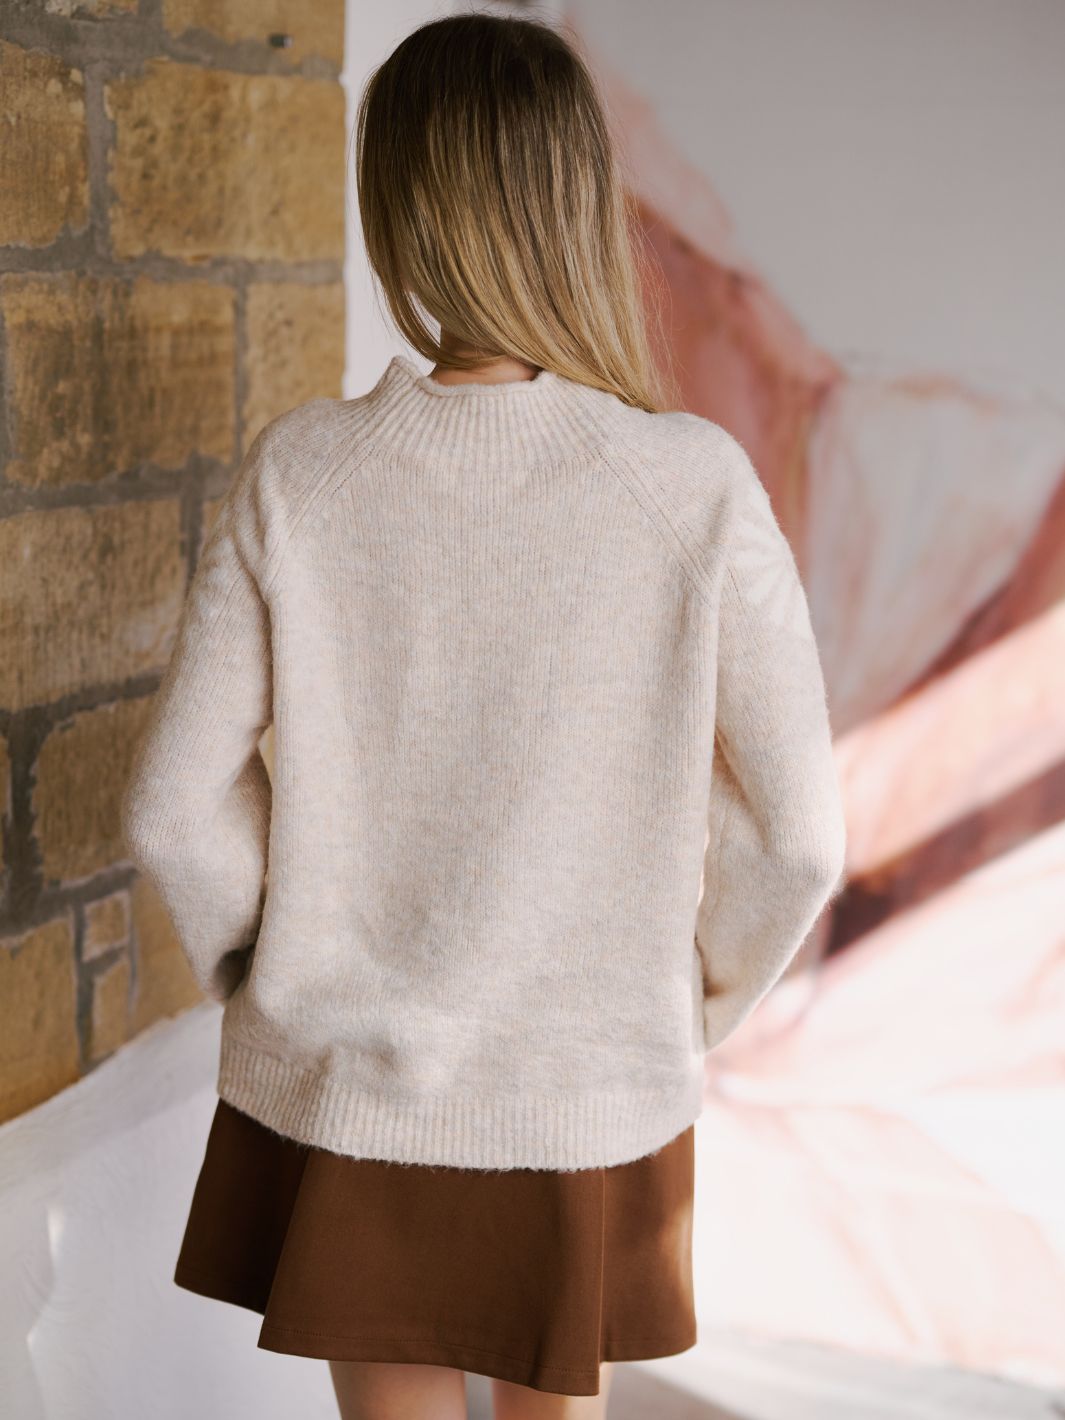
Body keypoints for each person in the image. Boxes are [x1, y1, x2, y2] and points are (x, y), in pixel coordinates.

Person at [121, 12, 847, 1420]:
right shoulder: (691, 486)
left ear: (397, 207)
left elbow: (170, 807)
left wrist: (271, 959)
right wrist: (678, 1002)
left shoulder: (304, 475)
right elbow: (800, 838)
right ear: (577, 204)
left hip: (353, 1081)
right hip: (588, 1088)